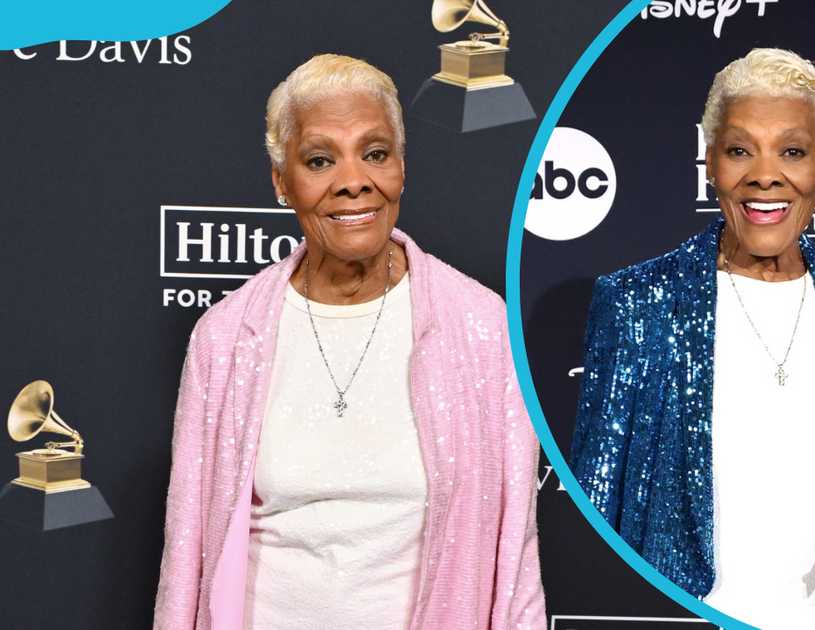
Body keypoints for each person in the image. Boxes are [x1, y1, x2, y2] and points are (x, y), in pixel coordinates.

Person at [153, 54, 545, 630]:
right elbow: (185, 556)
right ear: (282, 182)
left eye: (375, 153)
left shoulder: (483, 328)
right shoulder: (226, 338)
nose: (353, 181)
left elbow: (516, 560)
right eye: (320, 160)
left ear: (402, 168)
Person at [569, 48, 815, 629]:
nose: (765, 175)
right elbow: (591, 510)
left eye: (792, 151)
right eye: (739, 150)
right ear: (710, 162)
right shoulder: (637, 303)